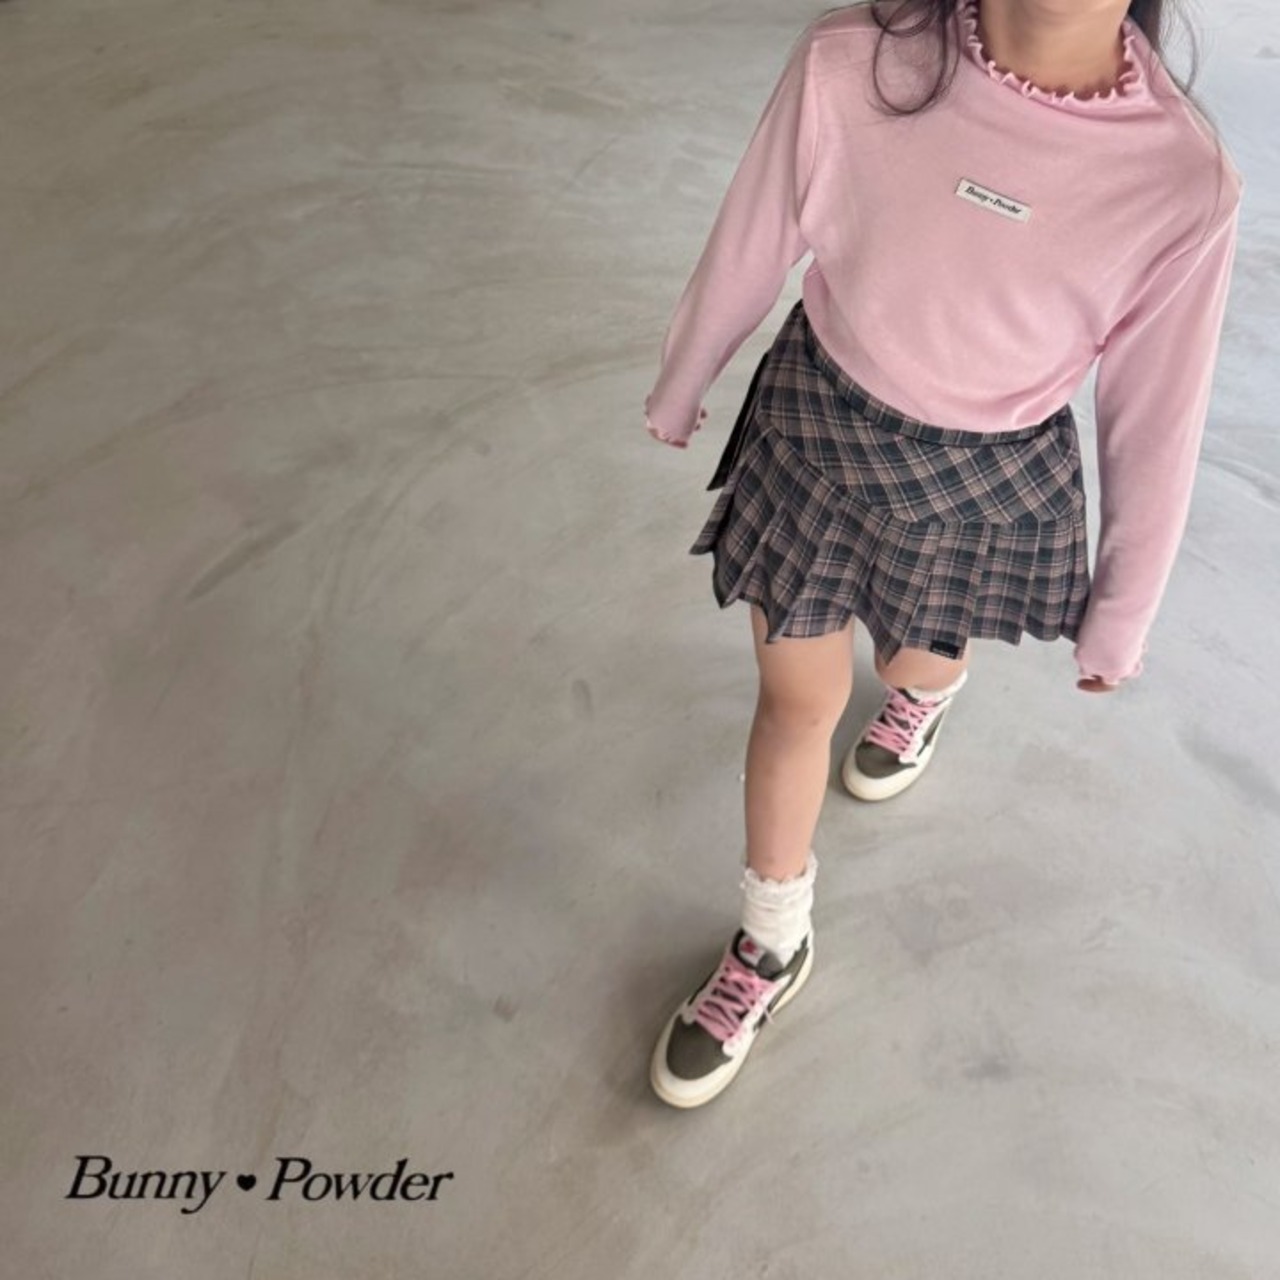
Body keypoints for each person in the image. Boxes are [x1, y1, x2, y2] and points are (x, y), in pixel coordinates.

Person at [643, 0, 1244, 1109]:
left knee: (916, 656)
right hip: (817, 437)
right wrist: (685, 376)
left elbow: (1157, 417)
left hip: (979, 484)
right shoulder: (854, 62)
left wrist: (1121, 614)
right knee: (794, 704)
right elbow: (752, 234)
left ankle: (922, 695)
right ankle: (772, 938)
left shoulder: (1180, 182)